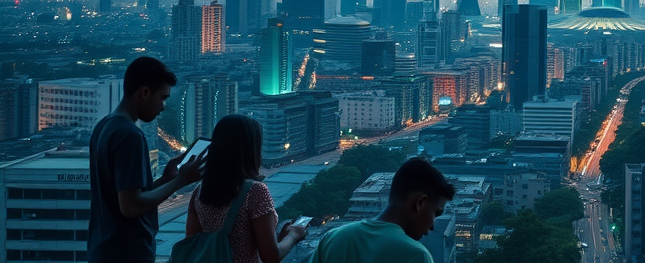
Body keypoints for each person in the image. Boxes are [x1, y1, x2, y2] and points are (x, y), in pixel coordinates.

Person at [88, 56, 206, 263]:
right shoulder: (130, 136)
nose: (163, 107)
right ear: (144, 93)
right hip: (127, 253)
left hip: (104, 249)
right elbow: (131, 207)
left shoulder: (104, 127)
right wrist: (181, 180)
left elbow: (124, 195)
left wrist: (165, 179)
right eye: (162, 98)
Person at [185, 114, 307, 263]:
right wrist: (293, 235)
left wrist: (278, 240)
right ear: (252, 149)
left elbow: (191, 245)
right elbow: (271, 257)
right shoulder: (256, 192)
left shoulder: (200, 191)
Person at [310, 157, 456, 263]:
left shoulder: (333, 238)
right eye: (436, 213)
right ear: (420, 203)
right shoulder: (416, 255)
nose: (432, 225)